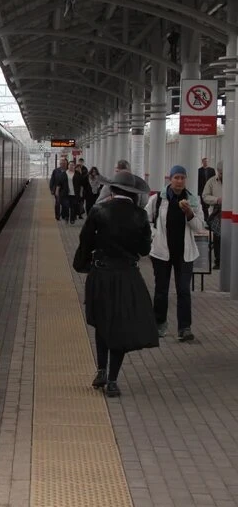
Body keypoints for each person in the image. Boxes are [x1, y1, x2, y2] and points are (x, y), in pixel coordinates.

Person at [76, 170, 159, 397]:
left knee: (102, 322)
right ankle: (112, 381)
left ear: (112, 190)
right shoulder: (140, 215)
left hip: (101, 273)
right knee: (120, 326)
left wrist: (82, 264)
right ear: (133, 194)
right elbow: (144, 249)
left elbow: (85, 240)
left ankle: (101, 370)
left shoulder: (98, 210)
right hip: (127, 276)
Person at [145, 165, 203, 341]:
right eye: (176, 177)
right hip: (161, 252)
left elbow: (199, 227)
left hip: (184, 254)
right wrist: (154, 235)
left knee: (184, 290)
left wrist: (189, 213)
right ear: (170, 179)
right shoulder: (157, 199)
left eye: (182, 178)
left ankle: (184, 328)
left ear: (186, 180)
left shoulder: (193, 200)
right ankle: (159, 324)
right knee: (161, 290)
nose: (179, 181)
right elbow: (146, 220)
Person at [202, 161, 223, 269]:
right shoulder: (211, 181)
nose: (223, 175)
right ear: (218, 171)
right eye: (221, 173)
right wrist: (217, 200)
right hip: (217, 212)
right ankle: (218, 260)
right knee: (217, 236)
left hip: (232, 213)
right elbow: (205, 196)